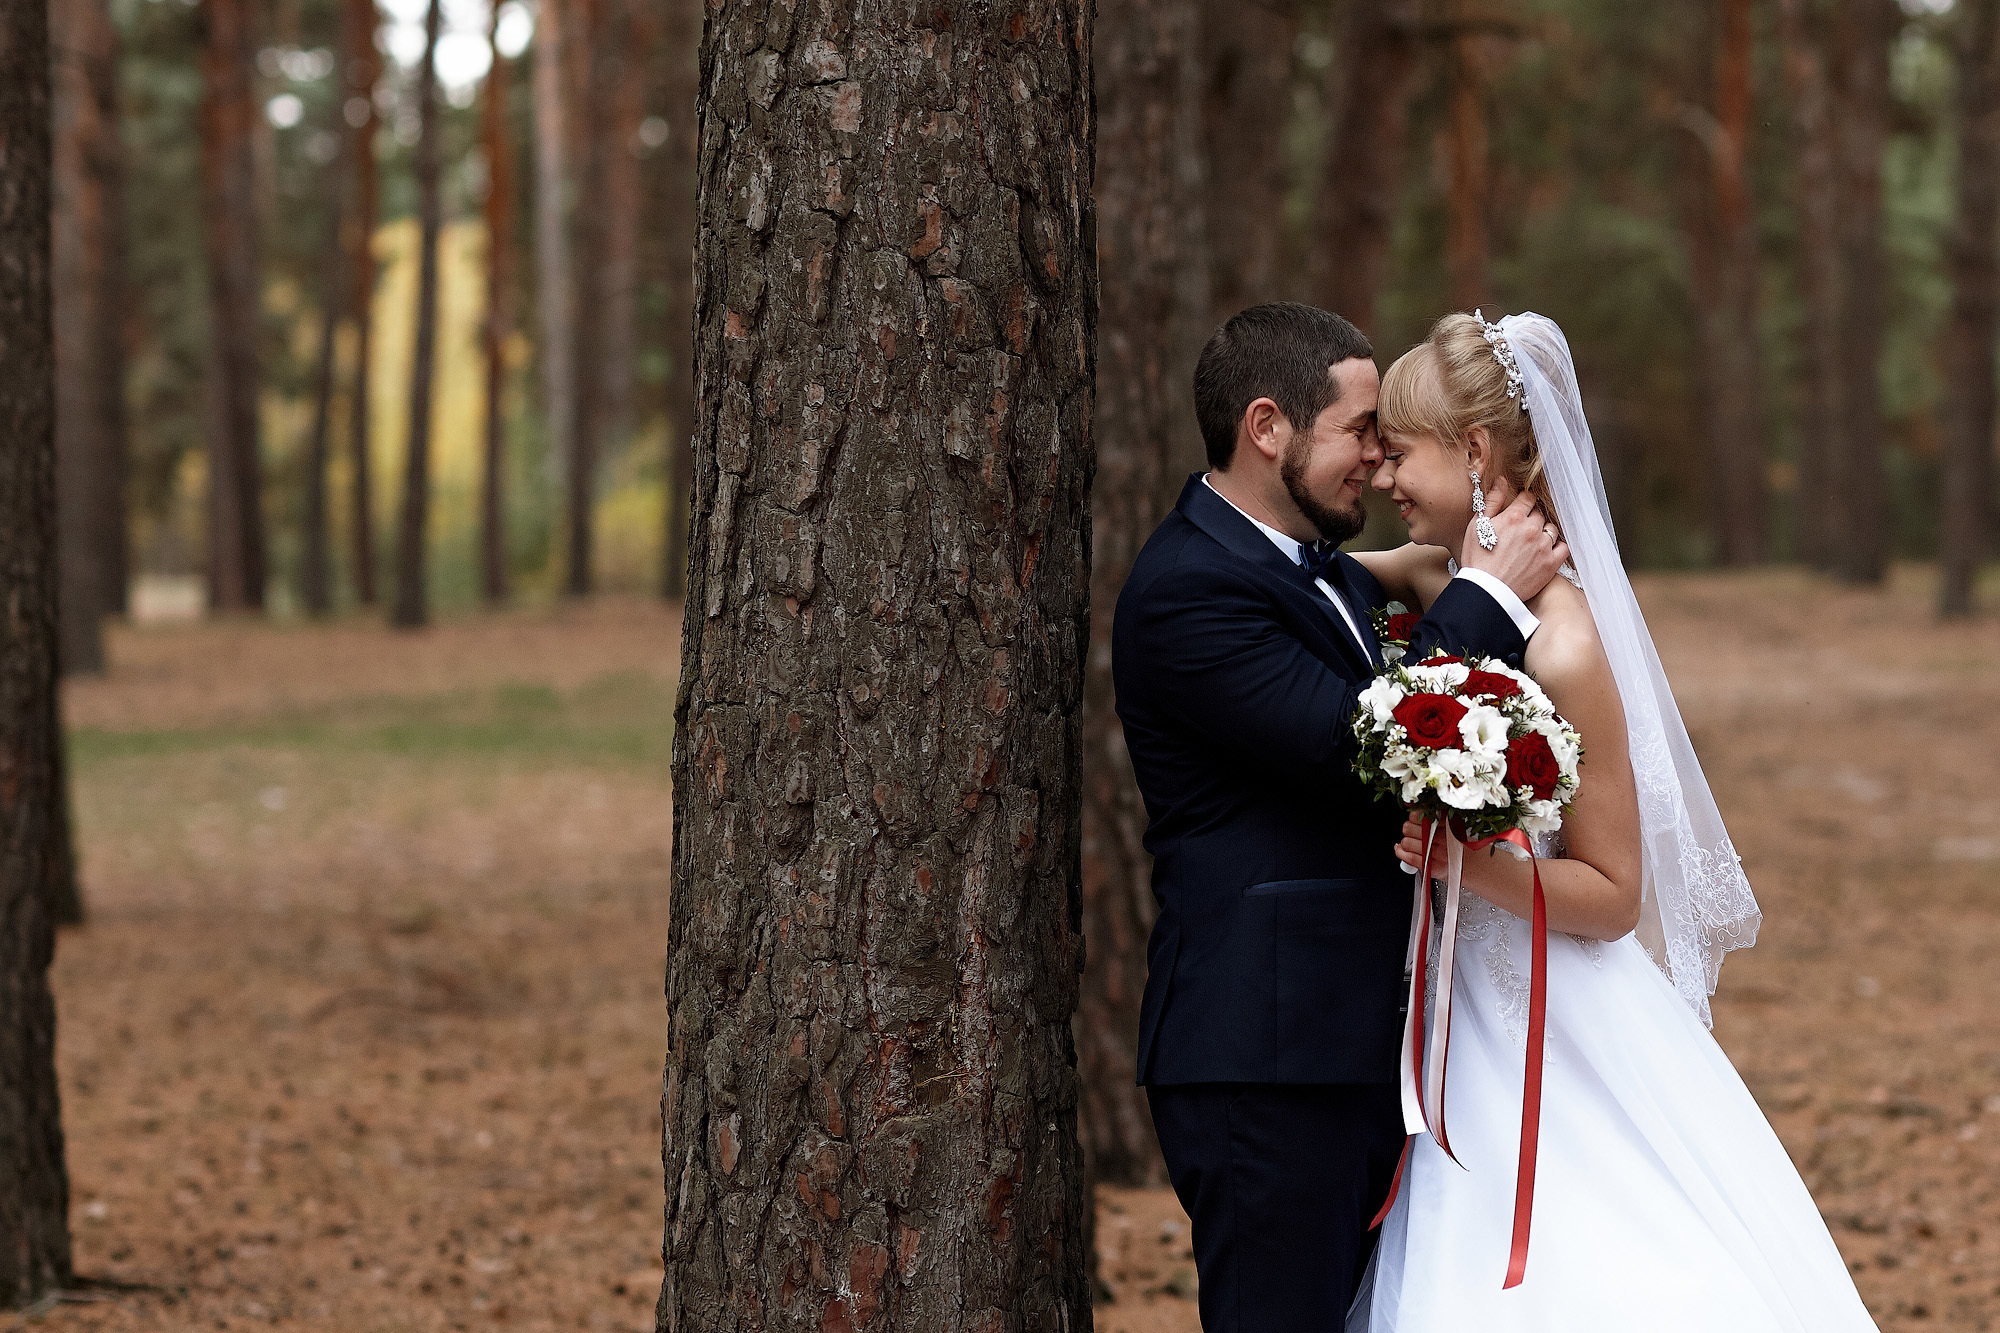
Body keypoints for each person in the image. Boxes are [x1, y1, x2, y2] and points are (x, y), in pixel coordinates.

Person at [1344, 311, 1878, 1330]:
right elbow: (1292, 586)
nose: (1381, 476)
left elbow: (1610, 892)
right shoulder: (1440, 578)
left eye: (1400, 452)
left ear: (1471, 451)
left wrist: (1464, 865)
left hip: (1544, 1013)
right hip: (1450, 1016)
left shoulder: (1567, 647)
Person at [1110, 301, 1570, 1329]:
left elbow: (1367, 632)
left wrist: (1443, 565)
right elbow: (1363, 748)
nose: (1373, 456)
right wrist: (1487, 598)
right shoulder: (1187, 592)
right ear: (1267, 427)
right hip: (1263, 1058)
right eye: (1358, 429)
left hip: (1350, 1047)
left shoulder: (1305, 570)